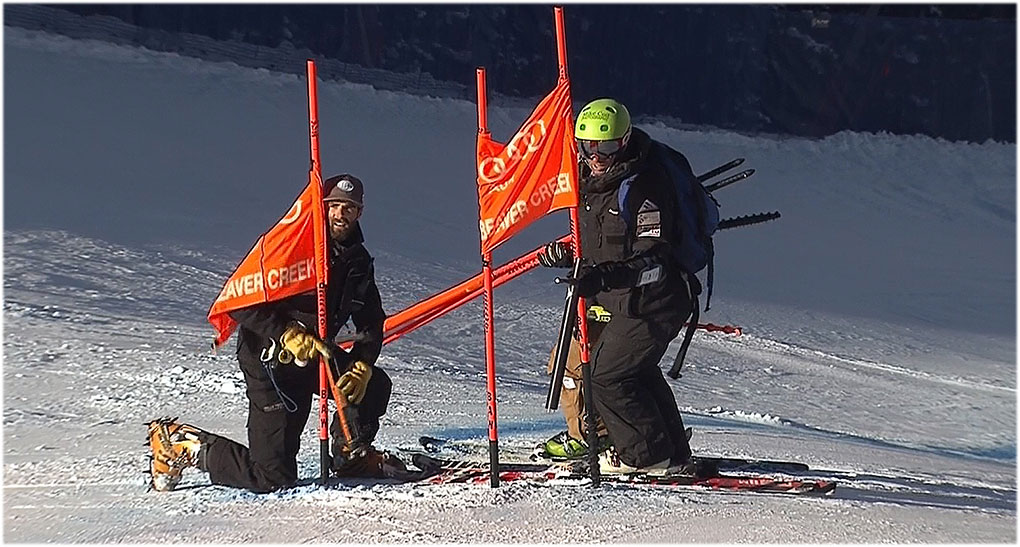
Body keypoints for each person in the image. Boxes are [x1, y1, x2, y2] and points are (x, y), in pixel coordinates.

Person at [147, 174, 404, 493]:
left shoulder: (357, 261)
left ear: (360, 212)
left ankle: (349, 455)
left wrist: (363, 364)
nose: (341, 214)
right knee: (271, 477)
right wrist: (286, 333)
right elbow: (239, 302)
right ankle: (179, 443)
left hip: (314, 357)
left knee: (373, 384)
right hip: (270, 362)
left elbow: (371, 320)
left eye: (349, 207)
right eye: (334, 205)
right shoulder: (291, 246)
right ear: (320, 207)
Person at [536, 98, 700, 475]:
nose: (596, 156)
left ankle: (645, 456)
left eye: (606, 146)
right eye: (587, 145)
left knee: (607, 375)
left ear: (624, 141)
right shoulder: (589, 180)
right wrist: (569, 254)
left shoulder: (643, 187)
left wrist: (606, 276)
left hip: (655, 299)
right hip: (622, 299)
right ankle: (671, 452)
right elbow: (600, 240)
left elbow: (654, 259)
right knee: (635, 371)